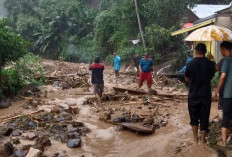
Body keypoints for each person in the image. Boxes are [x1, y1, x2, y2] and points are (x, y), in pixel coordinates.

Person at [185, 43, 215, 143]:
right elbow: (211, 77)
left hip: (193, 95)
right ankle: (202, 141)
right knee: (204, 118)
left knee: (194, 118)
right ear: (205, 52)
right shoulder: (210, 64)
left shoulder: (190, 64)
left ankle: (195, 139)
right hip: (206, 96)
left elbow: (187, 79)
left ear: (196, 51)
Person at [215, 41, 232, 147]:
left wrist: (217, 89)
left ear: (224, 49)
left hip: (228, 94)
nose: (221, 51)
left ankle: (223, 142)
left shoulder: (226, 61)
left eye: (221, 49)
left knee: (226, 116)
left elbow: (222, 76)